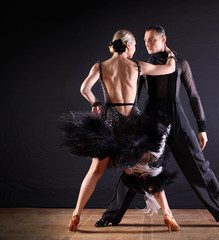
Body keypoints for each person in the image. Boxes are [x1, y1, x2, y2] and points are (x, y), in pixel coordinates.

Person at [95, 25, 219, 228]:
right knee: (134, 169)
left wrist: (202, 127)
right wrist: (126, 127)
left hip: (178, 124)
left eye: (152, 39)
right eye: (145, 40)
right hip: (151, 126)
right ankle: (110, 216)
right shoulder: (141, 66)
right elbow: (132, 98)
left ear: (163, 40)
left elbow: (193, 96)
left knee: (200, 169)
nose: (147, 43)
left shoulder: (181, 64)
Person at [60, 29, 180, 232]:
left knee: (95, 171)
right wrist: (170, 52)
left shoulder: (101, 66)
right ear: (129, 45)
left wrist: (96, 102)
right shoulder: (137, 66)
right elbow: (169, 69)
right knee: (147, 171)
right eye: (135, 46)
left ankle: (76, 214)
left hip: (110, 124)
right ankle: (168, 214)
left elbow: (84, 89)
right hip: (133, 124)